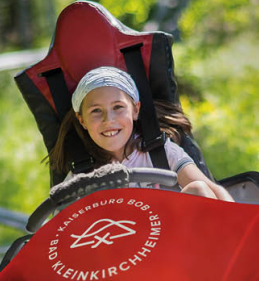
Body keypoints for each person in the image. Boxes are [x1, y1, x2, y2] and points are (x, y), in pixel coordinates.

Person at [48, 66, 233, 201]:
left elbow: (211, 190)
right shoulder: (81, 177)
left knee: (198, 188)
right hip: (125, 248)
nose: (108, 120)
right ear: (82, 120)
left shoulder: (161, 152)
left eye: (118, 107)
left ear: (135, 110)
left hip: (179, 239)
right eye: (96, 111)